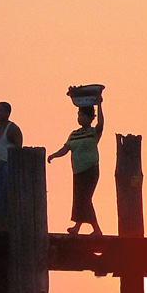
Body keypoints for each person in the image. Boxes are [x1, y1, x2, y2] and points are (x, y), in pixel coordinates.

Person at [47, 101, 104, 235]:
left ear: (89, 118)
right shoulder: (74, 133)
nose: (79, 118)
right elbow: (66, 148)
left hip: (90, 169)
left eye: (82, 115)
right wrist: (54, 155)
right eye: (78, 115)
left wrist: (99, 105)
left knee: (85, 198)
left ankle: (96, 229)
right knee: (79, 198)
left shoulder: (93, 132)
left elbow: (101, 124)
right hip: (78, 171)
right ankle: (77, 227)